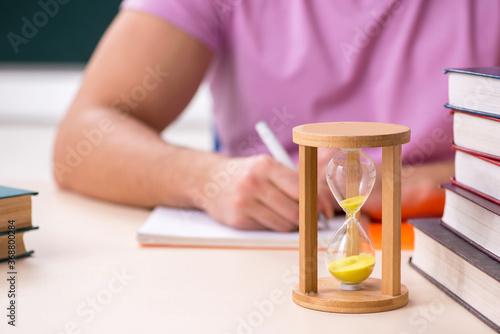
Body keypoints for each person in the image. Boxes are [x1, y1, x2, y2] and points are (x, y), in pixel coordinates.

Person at [53, 0, 500, 231]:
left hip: (458, 251)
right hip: (258, 258)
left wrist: (428, 184)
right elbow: (82, 138)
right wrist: (203, 178)